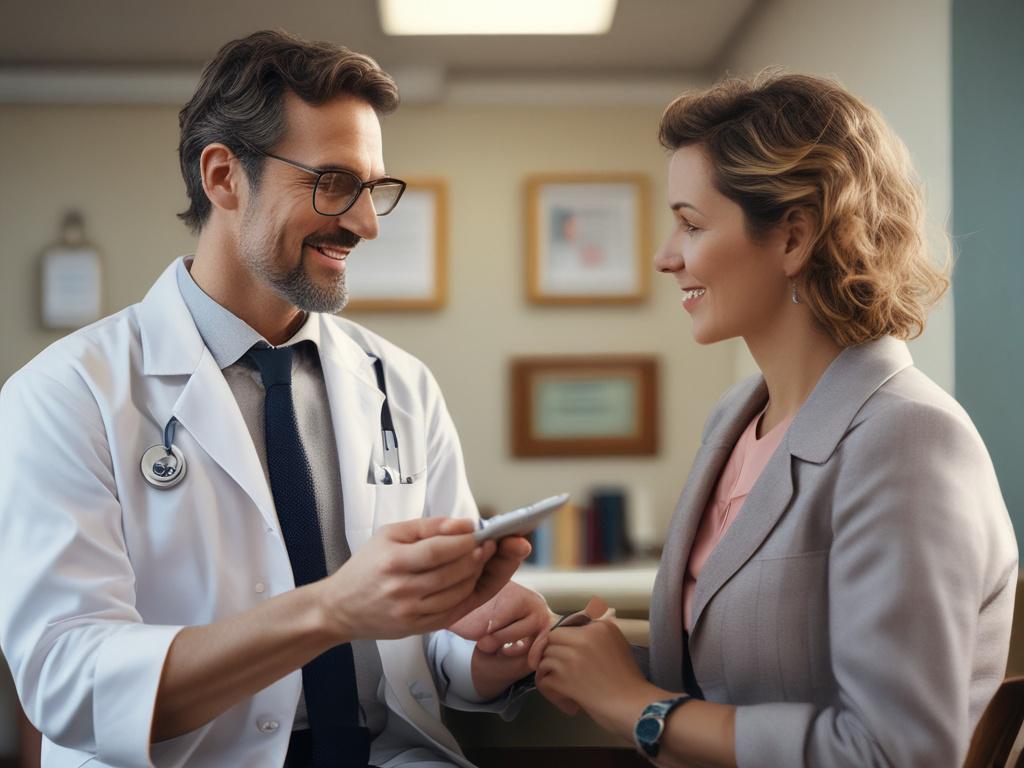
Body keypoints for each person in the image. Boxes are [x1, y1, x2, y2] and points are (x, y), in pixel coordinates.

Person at [0, 31, 553, 768]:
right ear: (224, 177)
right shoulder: (65, 395)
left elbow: (422, 645)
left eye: (373, 188)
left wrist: (479, 647)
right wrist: (327, 610)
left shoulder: (402, 385)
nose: (366, 223)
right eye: (333, 183)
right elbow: (70, 684)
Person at [530, 71, 1018, 767]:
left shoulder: (908, 439)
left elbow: (895, 752)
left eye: (691, 224)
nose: (666, 257)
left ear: (793, 237)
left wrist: (638, 708)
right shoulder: (735, 418)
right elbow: (734, 668)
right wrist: (562, 640)